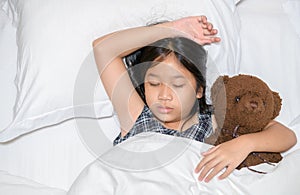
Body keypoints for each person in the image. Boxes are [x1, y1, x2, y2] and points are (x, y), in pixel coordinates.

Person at [92, 16, 297, 183]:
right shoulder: (138, 117)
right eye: (154, 84)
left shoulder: (214, 122)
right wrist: (170, 29)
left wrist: (244, 144)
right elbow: (103, 49)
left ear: (199, 89)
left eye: (178, 84)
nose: (164, 95)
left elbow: (286, 136)